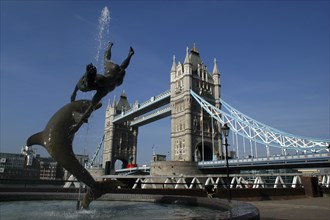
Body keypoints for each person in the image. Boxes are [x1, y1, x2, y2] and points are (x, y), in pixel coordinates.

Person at [70, 42, 134, 128]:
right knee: (112, 62)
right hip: (108, 78)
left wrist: (78, 124)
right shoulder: (98, 80)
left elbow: (91, 106)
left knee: (119, 68)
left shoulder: (104, 84)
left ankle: (129, 54)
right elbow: (113, 60)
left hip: (112, 80)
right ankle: (130, 54)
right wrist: (74, 93)